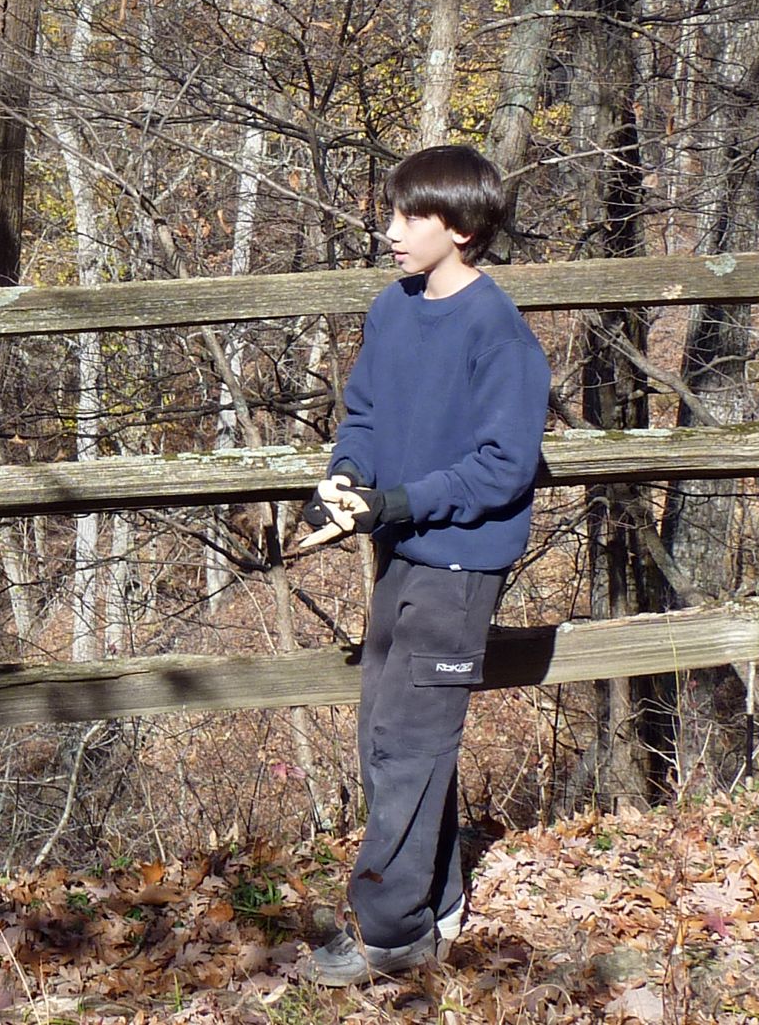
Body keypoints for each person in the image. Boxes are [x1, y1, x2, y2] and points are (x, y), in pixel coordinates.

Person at [302, 144, 549, 987]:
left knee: (410, 741)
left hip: (460, 563)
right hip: (400, 552)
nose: (392, 230)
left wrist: (401, 503)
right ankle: (435, 899)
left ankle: (393, 934)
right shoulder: (393, 309)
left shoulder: (499, 333)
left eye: (412, 217)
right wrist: (341, 484)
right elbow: (364, 419)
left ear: (466, 229)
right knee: (385, 738)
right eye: (395, 212)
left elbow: (502, 468)